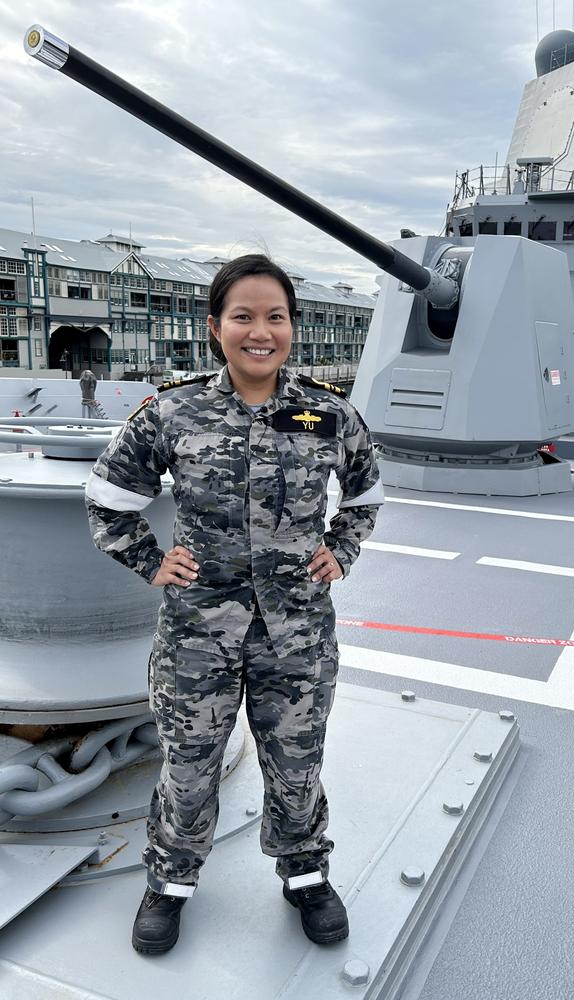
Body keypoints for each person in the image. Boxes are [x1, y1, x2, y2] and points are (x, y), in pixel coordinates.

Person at [84, 253, 384, 956]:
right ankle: (170, 883)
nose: (260, 331)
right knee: (187, 765)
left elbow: (366, 493)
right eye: (243, 316)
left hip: (298, 633)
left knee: (296, 763)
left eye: (274, 317)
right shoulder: (174, 410)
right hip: (197, 635)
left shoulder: (325, 413)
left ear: (291, 328)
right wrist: (149, 561)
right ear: (216, 326)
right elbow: (108, 497)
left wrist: (343, 548)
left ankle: (305, 873)